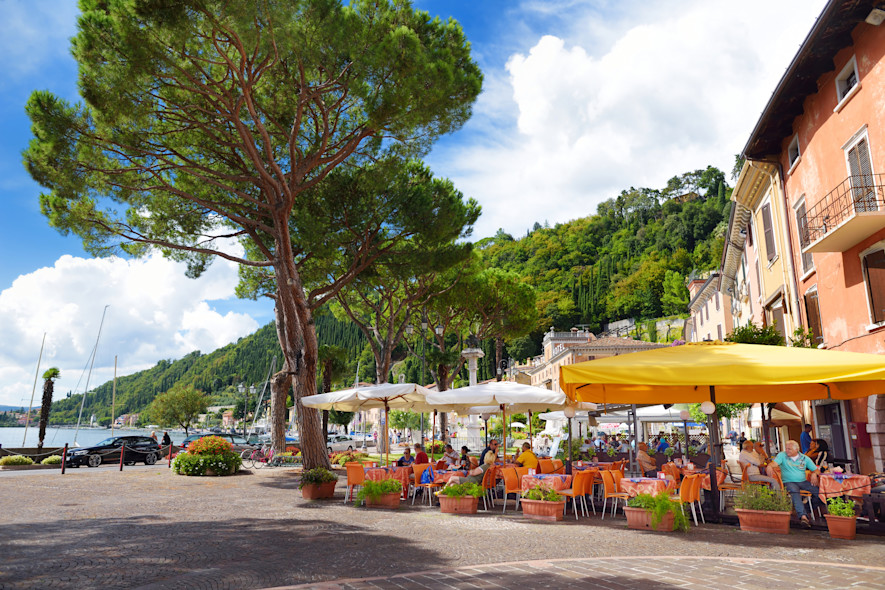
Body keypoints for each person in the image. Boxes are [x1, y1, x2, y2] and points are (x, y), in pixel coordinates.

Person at [773, 440, 826, 527]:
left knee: (820, 493)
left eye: (789, 449)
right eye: (786, 448)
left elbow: (816, 470)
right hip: (788, 481)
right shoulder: (782, 455)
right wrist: (770, 466)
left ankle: (805, 509)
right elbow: (774, 463)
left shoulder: (804, 458)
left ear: (796, 450)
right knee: (795, 491)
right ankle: (803, 516)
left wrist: (814, 474)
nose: (787, 450)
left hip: (803, 482)